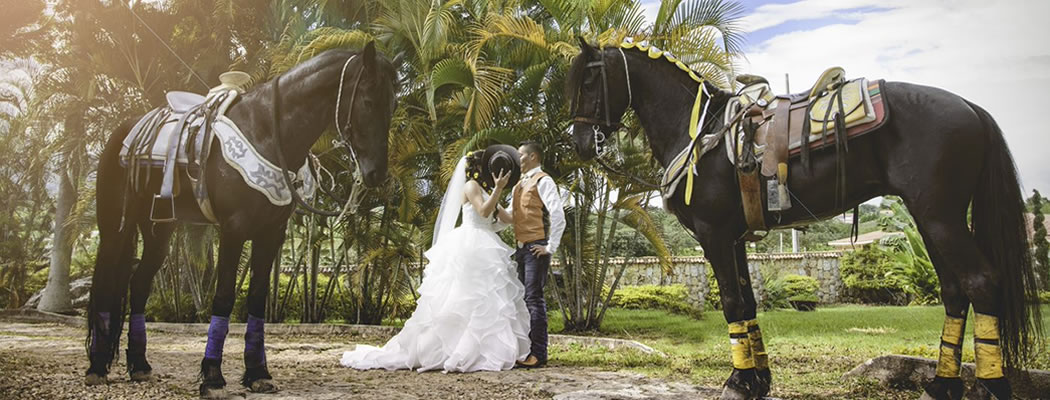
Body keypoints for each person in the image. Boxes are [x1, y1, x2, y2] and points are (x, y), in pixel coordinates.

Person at [340, 146, 530, 372]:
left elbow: (506, 218)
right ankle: (451, 348)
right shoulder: (471, 187)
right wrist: (499, 189)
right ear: (478, 168)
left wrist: (520, 197)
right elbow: (483, 212)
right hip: (471, 246)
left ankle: (482, 349)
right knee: (465, 299)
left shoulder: (488, 190)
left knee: (488, 301)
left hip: (486, 245)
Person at [505, 140, 565, 368]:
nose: (516, 158)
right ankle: (527, 349)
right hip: (521, 249)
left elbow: (558, 214)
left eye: (520, 155)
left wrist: (550, 247)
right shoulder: (518, 185)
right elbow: (510, 217)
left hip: (535, 248)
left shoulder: (544, 180)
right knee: (522, 300)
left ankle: (539, 354)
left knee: (533, 298)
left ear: (533, 157)